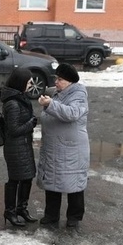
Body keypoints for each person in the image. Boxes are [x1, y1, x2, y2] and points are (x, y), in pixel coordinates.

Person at [36, 63, 90, 228]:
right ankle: (51, 215)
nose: (56, 82)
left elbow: (72, 114)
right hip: (54, 147)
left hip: (71, 149)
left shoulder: (78, 95)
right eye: (56, 78)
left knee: (74, 183)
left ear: (70, 81)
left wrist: (50, 104)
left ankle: (74, 216)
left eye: (60, 79)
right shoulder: (58, 93)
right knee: (53, 181)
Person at [0, 68, 38, 227]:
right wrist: (31, 124)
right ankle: (10, 211)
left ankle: (22, 208)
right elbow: (13, 130)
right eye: (29, 82)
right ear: (20, 82)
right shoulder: (13, 103)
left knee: (27, 177)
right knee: (15, 180)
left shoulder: (20, 97)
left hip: (24, 145)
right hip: (15, 147)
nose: (31, 85)